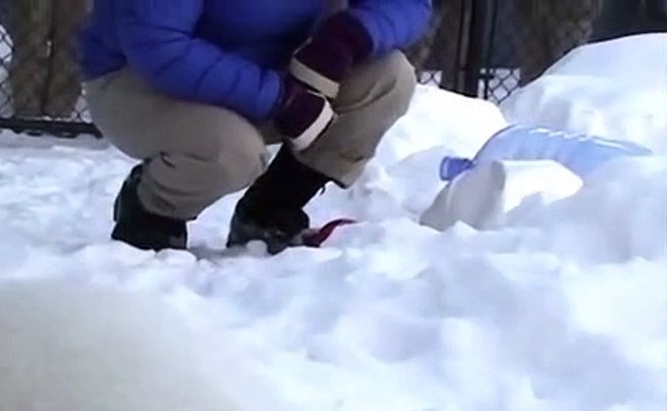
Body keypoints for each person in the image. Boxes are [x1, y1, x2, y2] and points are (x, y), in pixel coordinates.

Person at [77, 0, 433, 254]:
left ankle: (270, 212)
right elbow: (158, 45)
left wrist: (349, 35)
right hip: (141, 79)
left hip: (278, 72)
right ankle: (152, 208)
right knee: (230, 152)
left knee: (387, 78)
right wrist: (279, 99)